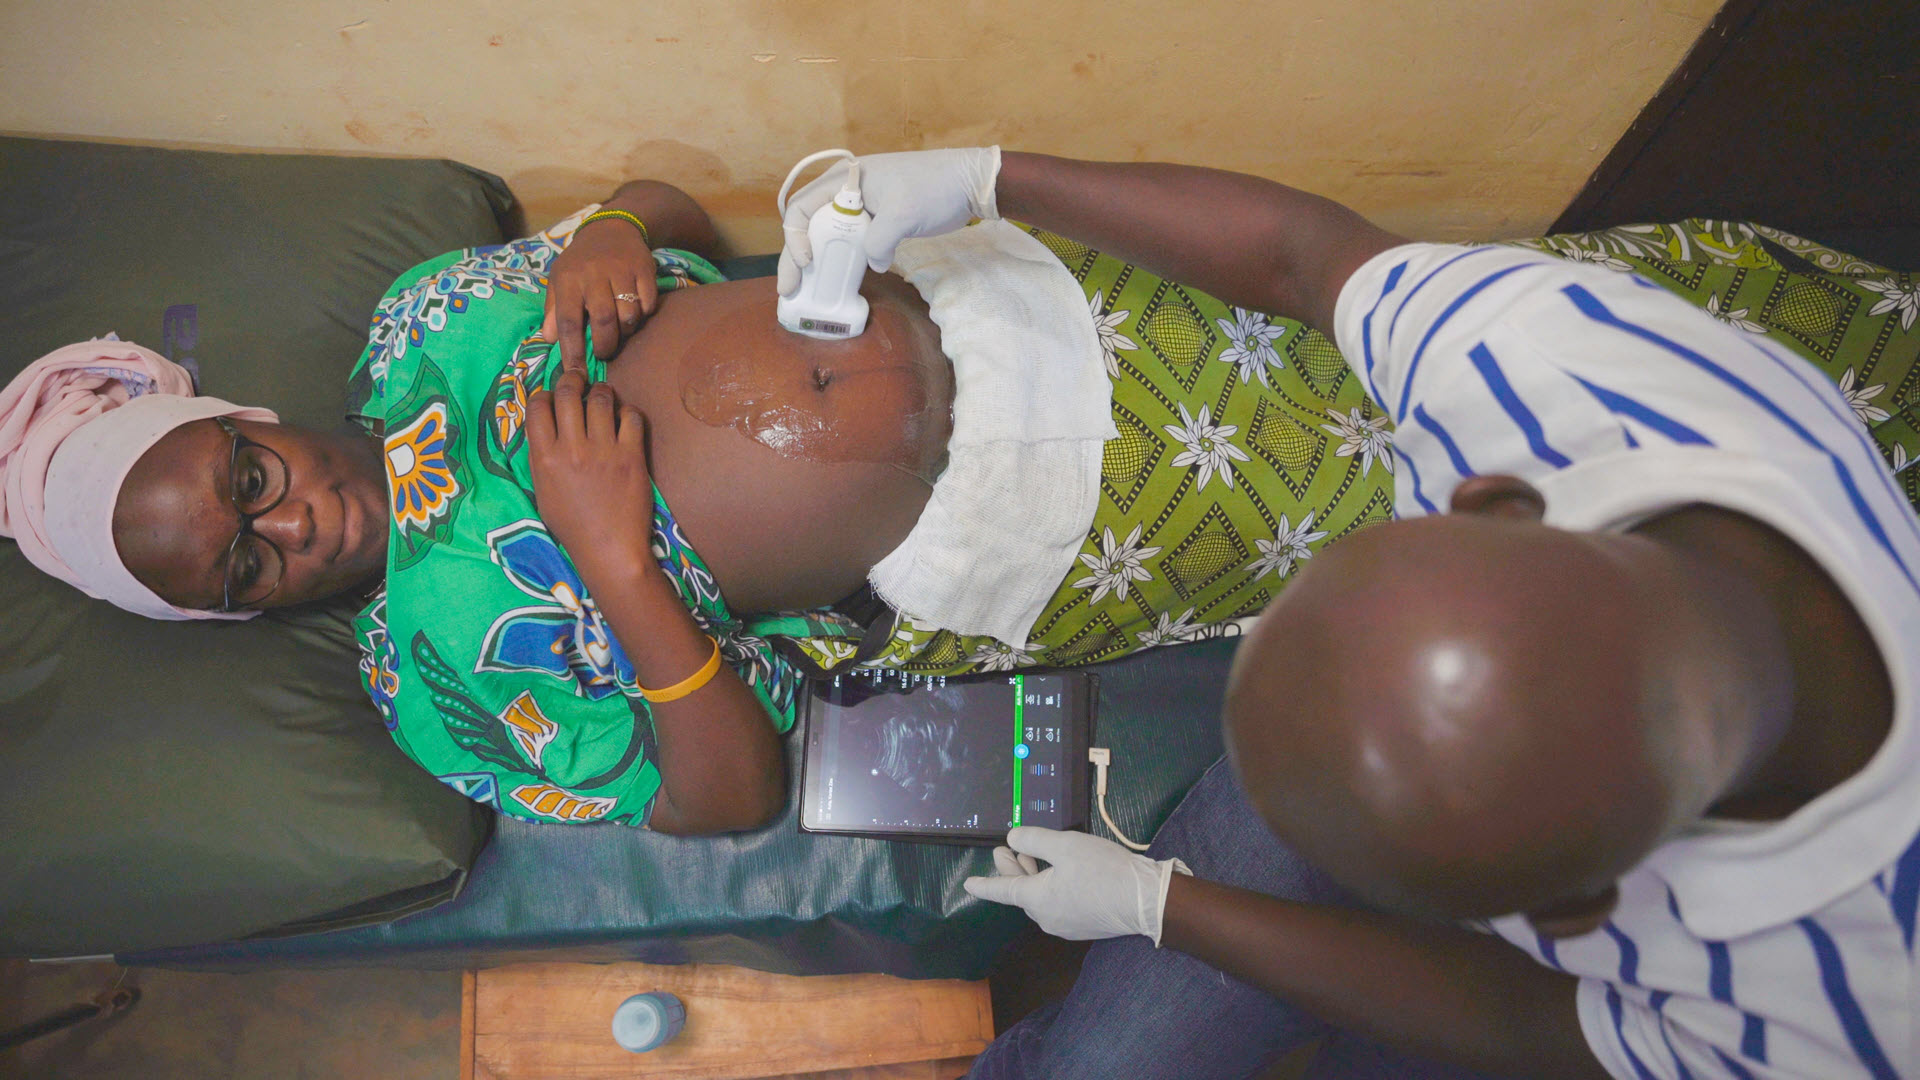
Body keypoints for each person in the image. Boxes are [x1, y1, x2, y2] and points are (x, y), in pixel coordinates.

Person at [794, 150, 1920, 1078]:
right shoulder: (1563, 371)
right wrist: (983, 176)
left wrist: (1163, 907)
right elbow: (1303, 257)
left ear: (1581, 915)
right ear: (1497, 498)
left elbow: (1543, 1023)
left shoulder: (1837, 1013)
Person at [1, 173, 1403, 833]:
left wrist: (617, 225)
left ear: (243, 419)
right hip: (1031, 537)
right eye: (243, 569)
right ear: (241, 614)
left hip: (1033, 306)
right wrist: (622, 572)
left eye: (249, 481)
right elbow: (728, 802)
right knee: (1423, 524)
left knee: (1389, 321)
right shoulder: (433, 695)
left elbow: (662, 205)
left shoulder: (419, 313)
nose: (289, 525)